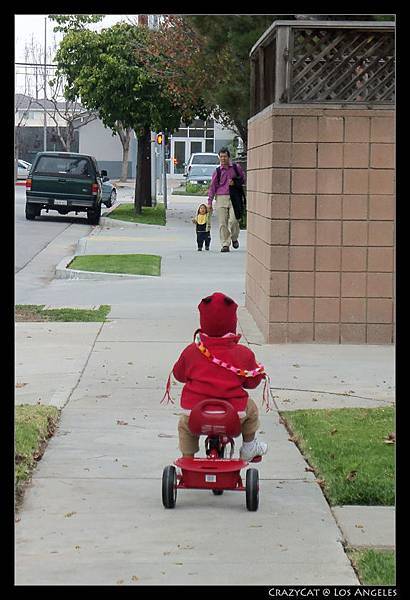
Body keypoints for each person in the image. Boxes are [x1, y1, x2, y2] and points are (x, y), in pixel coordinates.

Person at [162, 292, 269, 461]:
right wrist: (256, 376)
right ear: (232, 322)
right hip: (233, 414)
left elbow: (179, 374)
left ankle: (187, 458)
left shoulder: (192, 351)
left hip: (196, 413)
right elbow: (252, 381)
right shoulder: (243, 354)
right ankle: (249, 446)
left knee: (185, 425)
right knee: (252, 410)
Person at [207, 148, 245, 253]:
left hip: (234, 197)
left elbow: (242, 179)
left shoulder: (236, 168)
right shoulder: (218, 171)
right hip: (221, 197)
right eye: (221, 157)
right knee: (222, 223)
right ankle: (225, 244)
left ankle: (234, 238)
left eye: (225, 156)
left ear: (229, 157)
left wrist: (235, 182)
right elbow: (212, 187)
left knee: (233, 220)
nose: (223, 159)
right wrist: (209, 202)